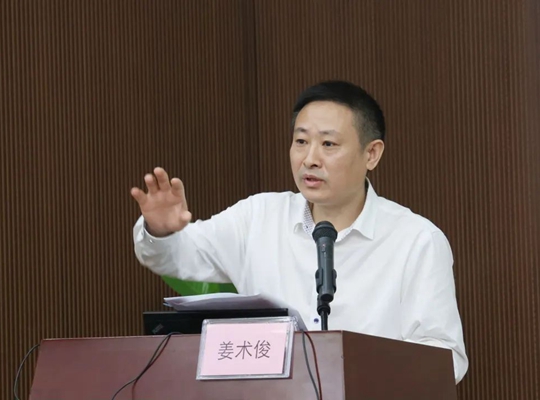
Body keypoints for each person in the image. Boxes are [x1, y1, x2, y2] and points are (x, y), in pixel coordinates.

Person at [131, 80, 469, 383]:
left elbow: (446, 356)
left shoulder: (416, 240)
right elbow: (178, 258)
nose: (310, 159)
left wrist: (361, 371)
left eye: (329, 144)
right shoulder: (258, 217)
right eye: (301, 141)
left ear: (371, 154)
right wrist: (160, 230)